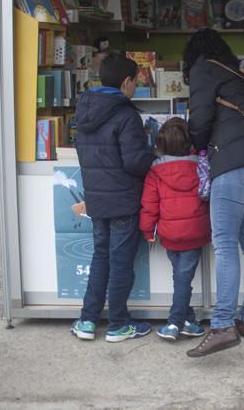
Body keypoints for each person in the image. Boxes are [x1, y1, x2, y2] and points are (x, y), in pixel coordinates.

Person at [183, 28, 244, 357]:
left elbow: (199, 119)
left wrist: (195, 144)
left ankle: (224, 324)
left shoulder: (203, 69)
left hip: (233, 164)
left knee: (225, 246)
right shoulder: (238, 73)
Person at [70, 54, 155, 342]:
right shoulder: (125, 114)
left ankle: (87, 320)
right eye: (135, 81)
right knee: (120, 262)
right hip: (123, 201)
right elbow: (134, 162)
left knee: (100, 258)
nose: (135, 87)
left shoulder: (84, 111)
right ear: (127, 81)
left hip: (96, 199)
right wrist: (151, 157)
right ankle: (118, 323)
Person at [139, 118, 210, 342]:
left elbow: (149, 205)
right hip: (195, 231)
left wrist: (148, 231)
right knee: (182, 277)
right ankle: (186, 321)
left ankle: (174, 322)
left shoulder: (155, 171)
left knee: (180, 277)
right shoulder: (200, 166)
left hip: (169, 234)